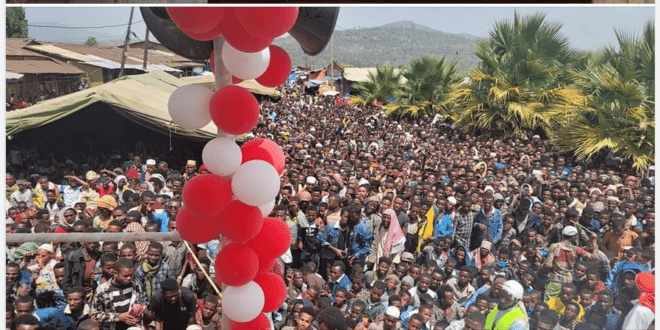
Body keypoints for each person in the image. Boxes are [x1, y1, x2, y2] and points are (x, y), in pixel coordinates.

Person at [91, 258, 145, 330]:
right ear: (115, 273)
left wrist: (138, 316)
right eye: (125, 276)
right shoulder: (102, 290)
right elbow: (95, 315)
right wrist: (118, 317)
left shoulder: (135, 286)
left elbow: (138, 305)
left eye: (131, 275)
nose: (129, 278)